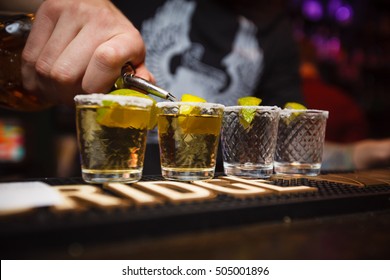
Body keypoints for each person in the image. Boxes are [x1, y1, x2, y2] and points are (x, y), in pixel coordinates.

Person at [0, 0, 389, 174]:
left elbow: (284, 143)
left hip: (211, 204)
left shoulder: (274, 27)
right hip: (105, 189)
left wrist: (364, 152)